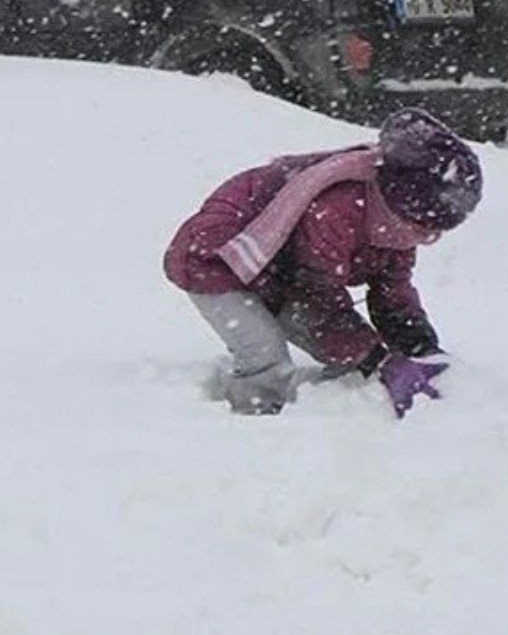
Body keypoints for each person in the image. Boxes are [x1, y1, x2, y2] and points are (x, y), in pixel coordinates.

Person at [163, 109, 482, 417]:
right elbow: (315, 299)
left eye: (438, 230)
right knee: (266, 358)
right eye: (426, 227)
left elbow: (392, 291)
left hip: (282, 275)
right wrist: (378, 359)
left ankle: (332, 411)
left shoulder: (395, 226)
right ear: (402, 206)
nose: (430, 238)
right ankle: (251, 427)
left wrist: (421, 348)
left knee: (349, 362)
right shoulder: (339, 208)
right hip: (218, 261)